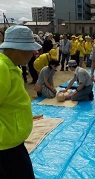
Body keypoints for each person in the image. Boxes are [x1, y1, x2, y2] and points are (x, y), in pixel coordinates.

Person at [0, 25, 42, 178]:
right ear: (19, 50)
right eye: (30, 50)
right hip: (5, 148)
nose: (33, 54)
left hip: (12, 143)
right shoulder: (2, 69)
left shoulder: (11, 67)